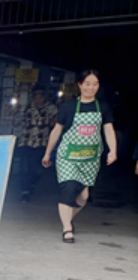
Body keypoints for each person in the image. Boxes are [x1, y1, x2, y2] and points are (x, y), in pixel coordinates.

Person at [43, 70, 117, 243]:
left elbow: (108, 130)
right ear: (80, 84)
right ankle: (67, 229)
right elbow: (57, 131)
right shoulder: (68, 107)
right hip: (68, 156)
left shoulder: (103, 107)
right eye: (87, 84)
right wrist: (47, 153)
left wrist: (113, 150)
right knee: (68, 188)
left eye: (95, 84)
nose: (91, 87)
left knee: (83, 196)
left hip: (90, 158)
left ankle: (67, 219)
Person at [15, 88, 57, 202]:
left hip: (41, 143)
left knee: (36, 169)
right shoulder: (26, 108)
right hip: (25, 141)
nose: (38, 100)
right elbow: (16, 122)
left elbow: (56, 124)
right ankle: (25, 192)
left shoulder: (51, 108)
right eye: (36, 97)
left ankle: (32, 184)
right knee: (24, 168)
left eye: (40, 97)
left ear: (44, 98)